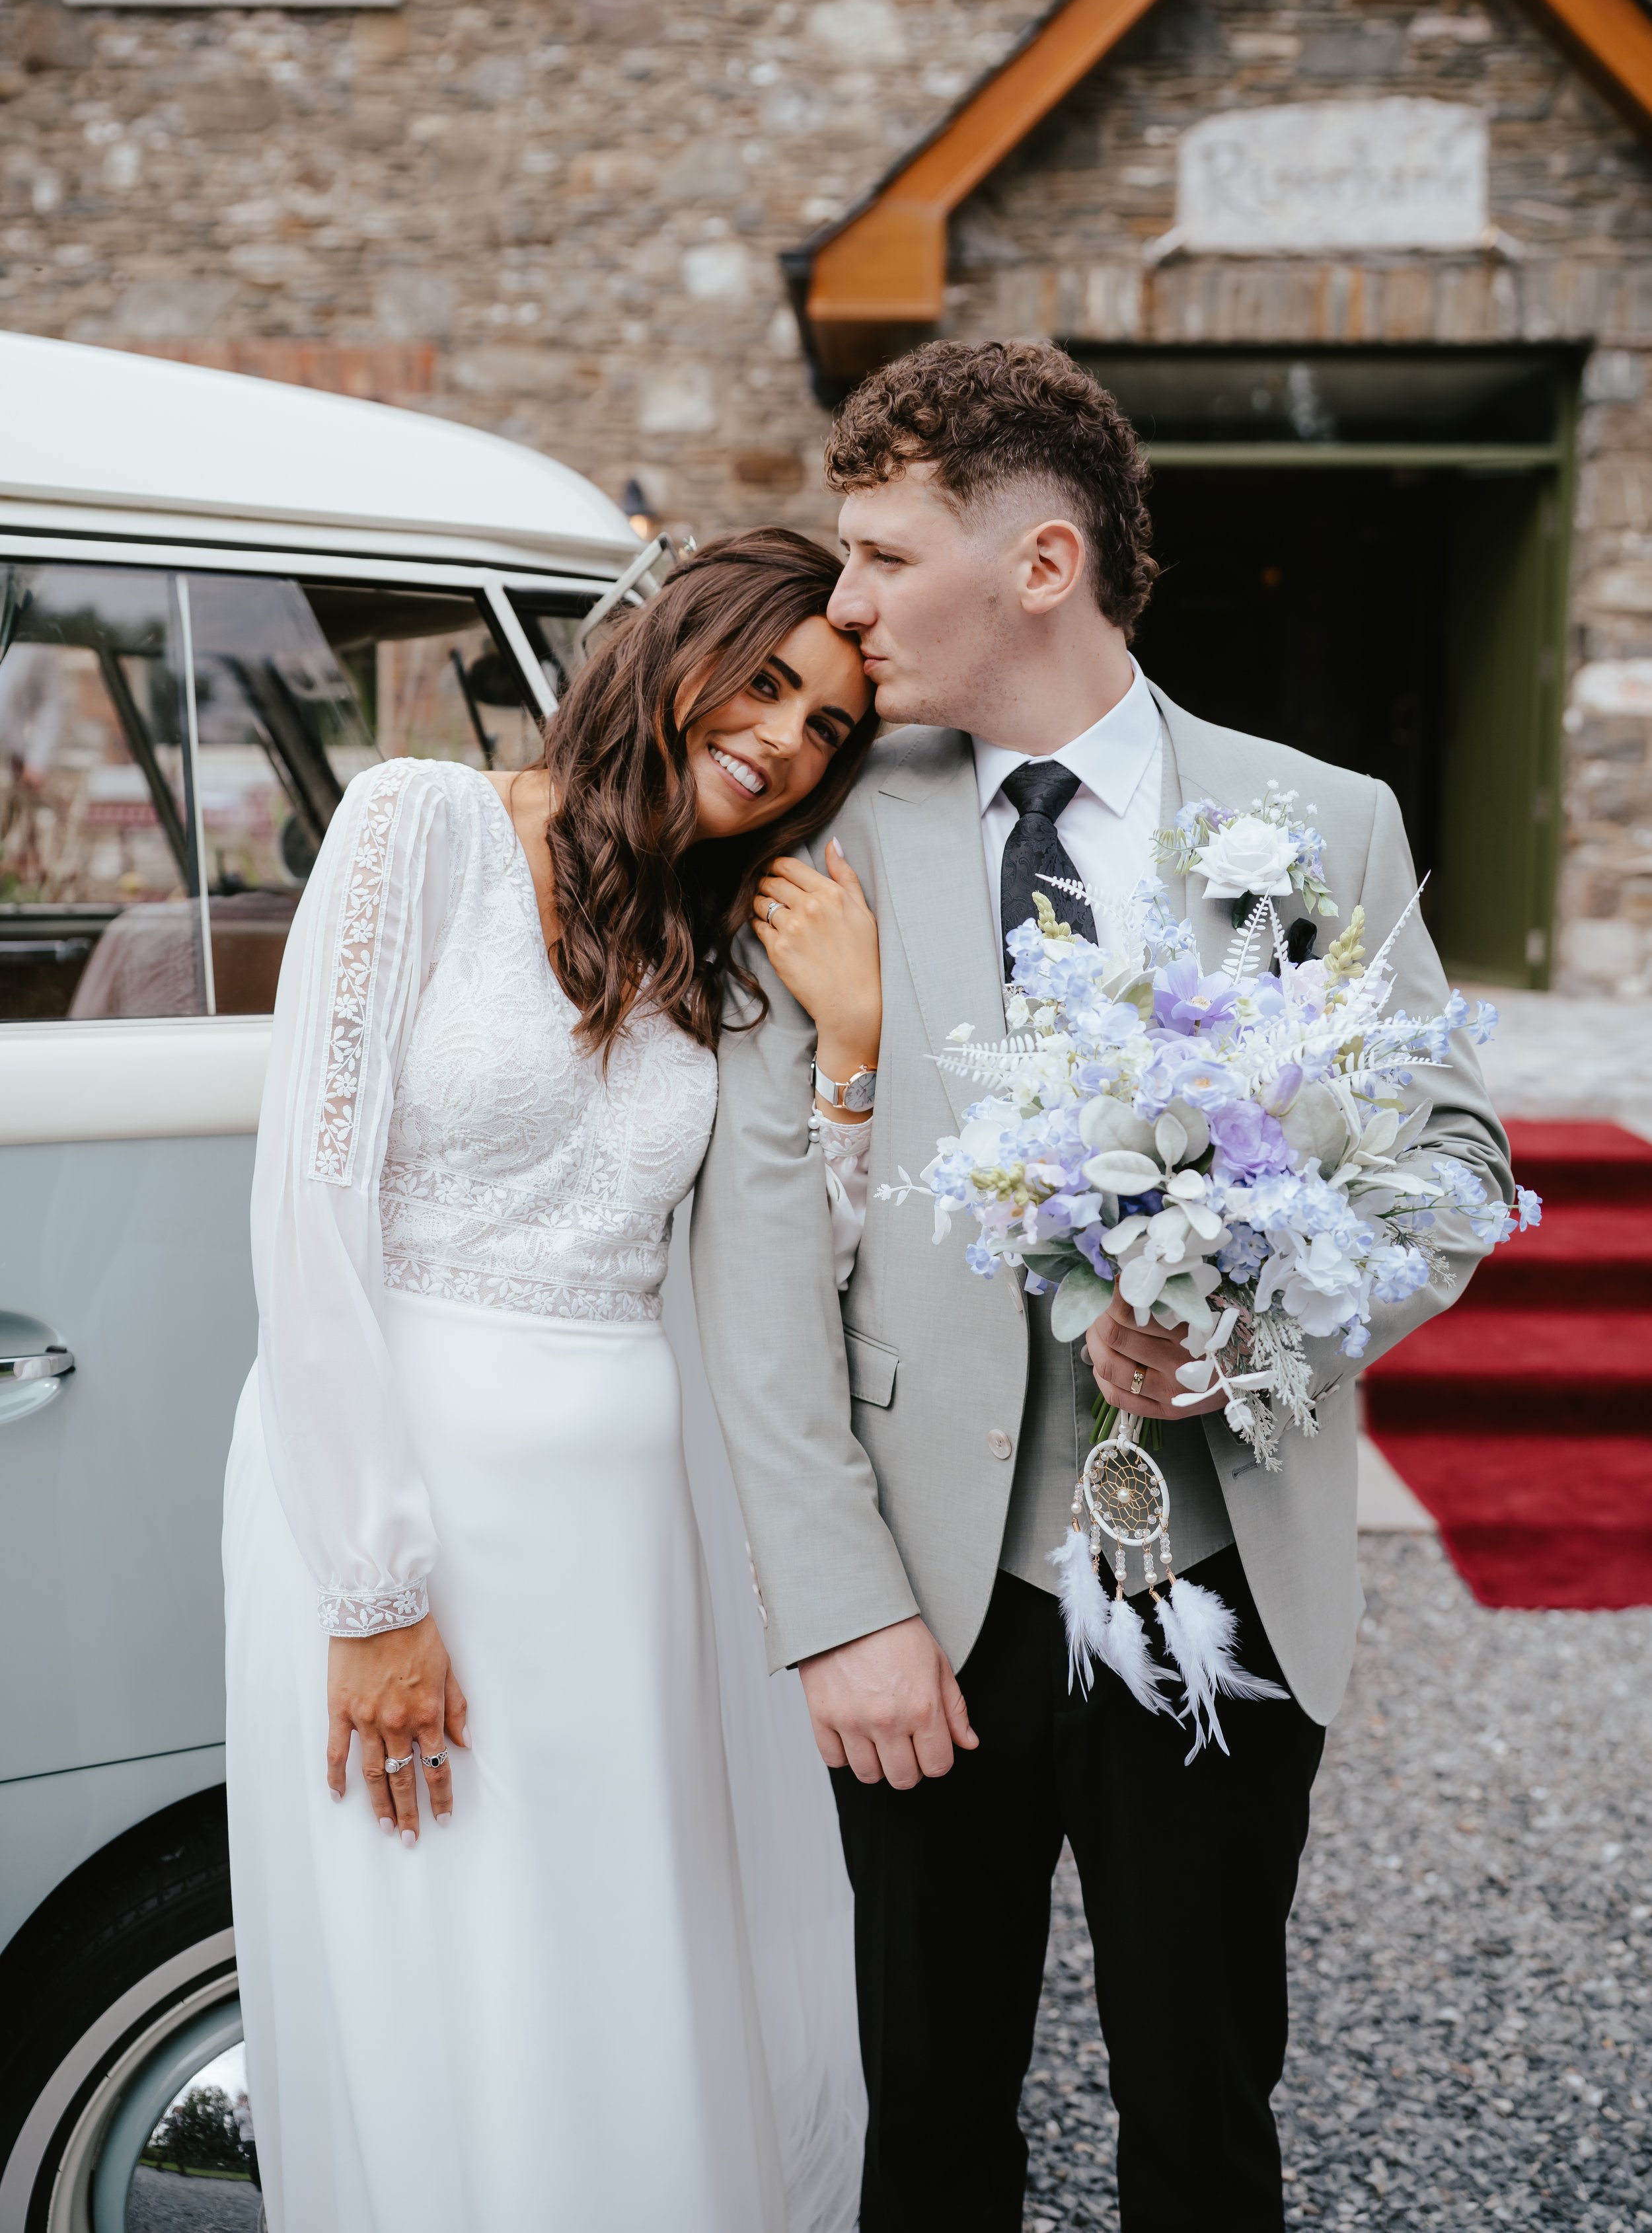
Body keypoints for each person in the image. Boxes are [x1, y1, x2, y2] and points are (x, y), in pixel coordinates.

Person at [694, 342, 1514, 2233]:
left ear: (1040, 565)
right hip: (925, 1599)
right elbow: (753, 1246)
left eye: (886, 556)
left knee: (1207, 2114)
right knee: (926, 2121)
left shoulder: (1322, 823)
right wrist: (836, 1609)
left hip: (1217, 1578)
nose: (845, 602)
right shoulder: (823, 828)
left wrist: (1250, 1330)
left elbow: (1452, 1170)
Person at [223, 529, 884, 2233]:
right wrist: (374, 1588)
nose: (787, 743)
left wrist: (856, 1054)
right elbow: (310, 1212)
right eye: (769, 681)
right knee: (445, 1969)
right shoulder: (418, 827)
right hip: (406, 1499)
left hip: (628, 1535)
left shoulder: (723, 940)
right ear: (676, 645)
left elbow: (773, 1285)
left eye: (829, 730)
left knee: (623, 1968)